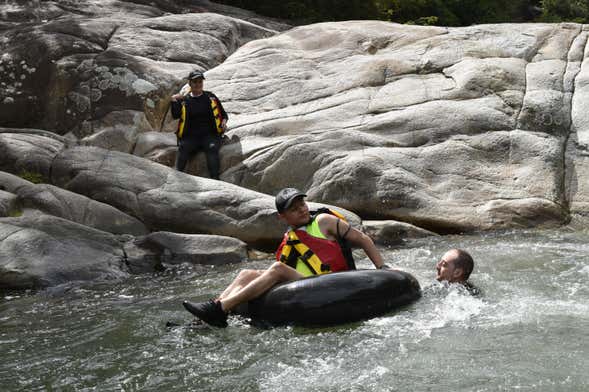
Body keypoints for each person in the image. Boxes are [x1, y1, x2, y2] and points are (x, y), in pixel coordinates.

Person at [183, 188, 392, 327]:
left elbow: (363, 239)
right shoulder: (289, 237)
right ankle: (205, 317)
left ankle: (220, 309)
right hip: (303, 284)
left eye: (301, 204)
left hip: (332, 283)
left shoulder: (324, 221)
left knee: (277, 268)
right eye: (293, 209)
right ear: (282, 217)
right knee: (247, 273)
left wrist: (381, 267)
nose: (301, 210)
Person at [170, 70, 228, 179]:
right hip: (191, 137)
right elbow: (175, 115)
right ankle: (176, 177)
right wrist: (174, 100)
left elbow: (224, 115)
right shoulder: (185, 100)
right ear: (190, 84)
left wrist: (224, 122)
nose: (198, 84)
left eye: (200, 82)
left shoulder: (211, 97)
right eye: (195, 82)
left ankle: (216, 180)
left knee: (212, 149)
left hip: (210, 135)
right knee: (183, 147)